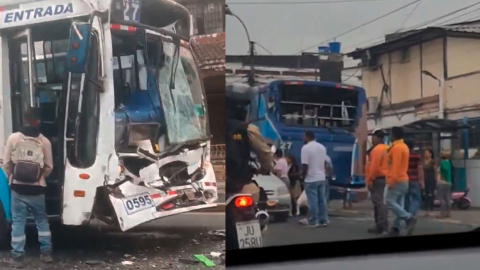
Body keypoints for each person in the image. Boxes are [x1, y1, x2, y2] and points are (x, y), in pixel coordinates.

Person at [3, 107, 54, 267]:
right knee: (41, 220)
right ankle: (46, 252)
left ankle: (17, 256)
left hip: (18, 189)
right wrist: (38, 178)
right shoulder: (44, 142)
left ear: (24, 119)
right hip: (37, 189)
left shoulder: (13, 139)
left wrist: (13, 176)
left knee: (18, 221)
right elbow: (49, 166)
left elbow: (6, 163)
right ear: (39, 121)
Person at [385, 127, 417, 236]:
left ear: (394, 135)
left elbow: (396, 166)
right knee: (399, 204)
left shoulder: (397, 148)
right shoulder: (403, 147)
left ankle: (408, 217)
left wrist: (392, 181)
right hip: (403, 179)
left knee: (389, 201)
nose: (390, 136)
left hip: (397, 179)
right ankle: (396, 228)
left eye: (390, 134)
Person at [299, 130, 330, 227]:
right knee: (322, 200)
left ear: (307, 137)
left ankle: (313, 221)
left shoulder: (305, 148)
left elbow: (305, 165)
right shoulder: (322, 147)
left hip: (311, 178)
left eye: (304, 136)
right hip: (321, 177)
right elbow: (325, 163)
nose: (303, 138)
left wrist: (303, 176)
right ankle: (324, 220)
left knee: (313, 201)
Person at [365, 129, 389, 234]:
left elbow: (374, 167)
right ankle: (379, 225)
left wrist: (370, 180)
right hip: (384, 178)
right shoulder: (387, 148)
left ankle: (382, 226)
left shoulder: (377, 150)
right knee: (379, 202)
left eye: (373, 137)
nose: (372, 139)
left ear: (377, 138)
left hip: (378, 178)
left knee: (378, 202)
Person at [404, 140, 424, 217]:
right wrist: (421, 181)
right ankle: (412, 213)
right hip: (414, 179)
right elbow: (419, 168)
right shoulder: (416, 156)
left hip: (405, 179)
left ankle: (406, 215)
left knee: (406, 199)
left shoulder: (403, 155)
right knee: (416, 198)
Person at [437, 150, 452, 219]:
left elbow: (438, 172)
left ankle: (442, 213)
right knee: (448, 198)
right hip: (448, 182)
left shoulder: (441, 163)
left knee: (441, 198)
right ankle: (448, 212)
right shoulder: (448, 163)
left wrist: (438, 180)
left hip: (442, 182)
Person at [422, 149, 437, 217]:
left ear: (431, 154)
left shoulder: (433, 162)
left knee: (431, 194)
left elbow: (435, 171)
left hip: (431, 179)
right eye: (425, 153)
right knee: (425, 194)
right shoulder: (422, 162)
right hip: (424, 179)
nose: (426, 154)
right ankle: (426, 210)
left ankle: (431, 209)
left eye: (427, 153)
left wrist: (436, 179)